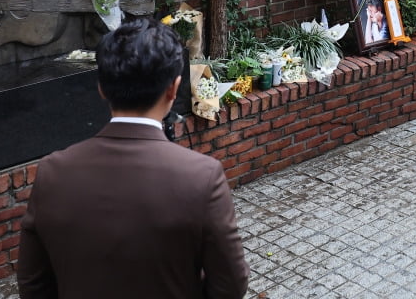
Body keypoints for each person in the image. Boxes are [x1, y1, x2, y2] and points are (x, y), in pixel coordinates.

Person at [17, 18, 250, 299]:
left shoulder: (53, 173)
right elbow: (230, 285)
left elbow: (33, 284)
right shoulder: (202, 176)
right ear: (173, 89)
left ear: (102, 88)